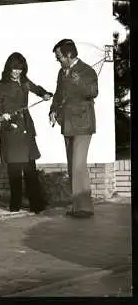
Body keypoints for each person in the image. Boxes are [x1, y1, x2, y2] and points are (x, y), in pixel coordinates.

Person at [0, 52, 52, 213]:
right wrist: (0, 115)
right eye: (14, 69)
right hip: (11, 128)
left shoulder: (24, 81)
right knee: (15, 170)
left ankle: (36, 204)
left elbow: (36, 88)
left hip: (26, 127)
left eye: (20, 69)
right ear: (8, 68)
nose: (17, 72)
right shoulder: (2, 85)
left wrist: (44, 93)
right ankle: (15, 204)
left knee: (31, 169)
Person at [49, 39, 98, 218]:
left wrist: (79, 82)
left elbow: (93, 92)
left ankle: (82, 208)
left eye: (59, 57)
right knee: (74, 166)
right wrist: (53, 110)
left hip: (83, 124)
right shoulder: (62, 72)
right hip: (67, 123)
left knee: (78, 165)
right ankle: (81, 207)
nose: (58, 60)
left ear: (69, 55)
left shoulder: (87, 71)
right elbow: (58, 94)